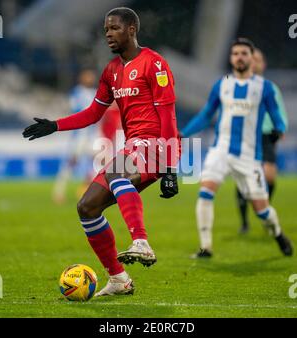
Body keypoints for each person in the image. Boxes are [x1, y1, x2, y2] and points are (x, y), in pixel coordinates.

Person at [23, 7, 180, 296]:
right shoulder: (111, 71)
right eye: (106, 29)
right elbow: (95, 112)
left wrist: (171, 168)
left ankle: (141, 242)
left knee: (116, 170)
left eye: (115, 28)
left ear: (131, 29)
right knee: (87, 207)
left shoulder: (154, 63)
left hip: (157, 144)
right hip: (133, 146)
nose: (108, 33)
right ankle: (119, 279)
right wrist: (56, 125)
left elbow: (169, 117)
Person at [181, 38, 293, 258]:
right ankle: (206, 247)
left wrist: (279, 128)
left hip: (249, 157)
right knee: (205, 192)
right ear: (231, 58)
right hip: (219, 150)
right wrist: (183, 133)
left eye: (244, 53)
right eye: (235, 53)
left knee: (262, 210)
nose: (239, 57)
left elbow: (276, 115)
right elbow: (206, 115)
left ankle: (278, 233)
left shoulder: (264, 88)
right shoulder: (222, 84)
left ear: (251, 58)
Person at [236, 48, 288, 233]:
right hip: (245, 135)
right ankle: (244, 222)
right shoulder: (237, 86)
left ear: (263, 64)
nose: (255, 63)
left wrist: (280, 128)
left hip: (266, 135)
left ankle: (264, 208)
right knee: (243, 177)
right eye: (253, 59)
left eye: (258, 59)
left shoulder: (270, 88)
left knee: (270, 175)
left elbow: (279, 112)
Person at [52, 69, 99, 204]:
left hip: (93, 134)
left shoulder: (95, 92)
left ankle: (87, 190)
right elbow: (76, 110)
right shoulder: (77, 92)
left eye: (91, 76)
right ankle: (59, 191)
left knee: (97, 162)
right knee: (71, 162)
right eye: (87, 76)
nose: (90, 79)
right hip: (80, 135)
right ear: (81, 78)